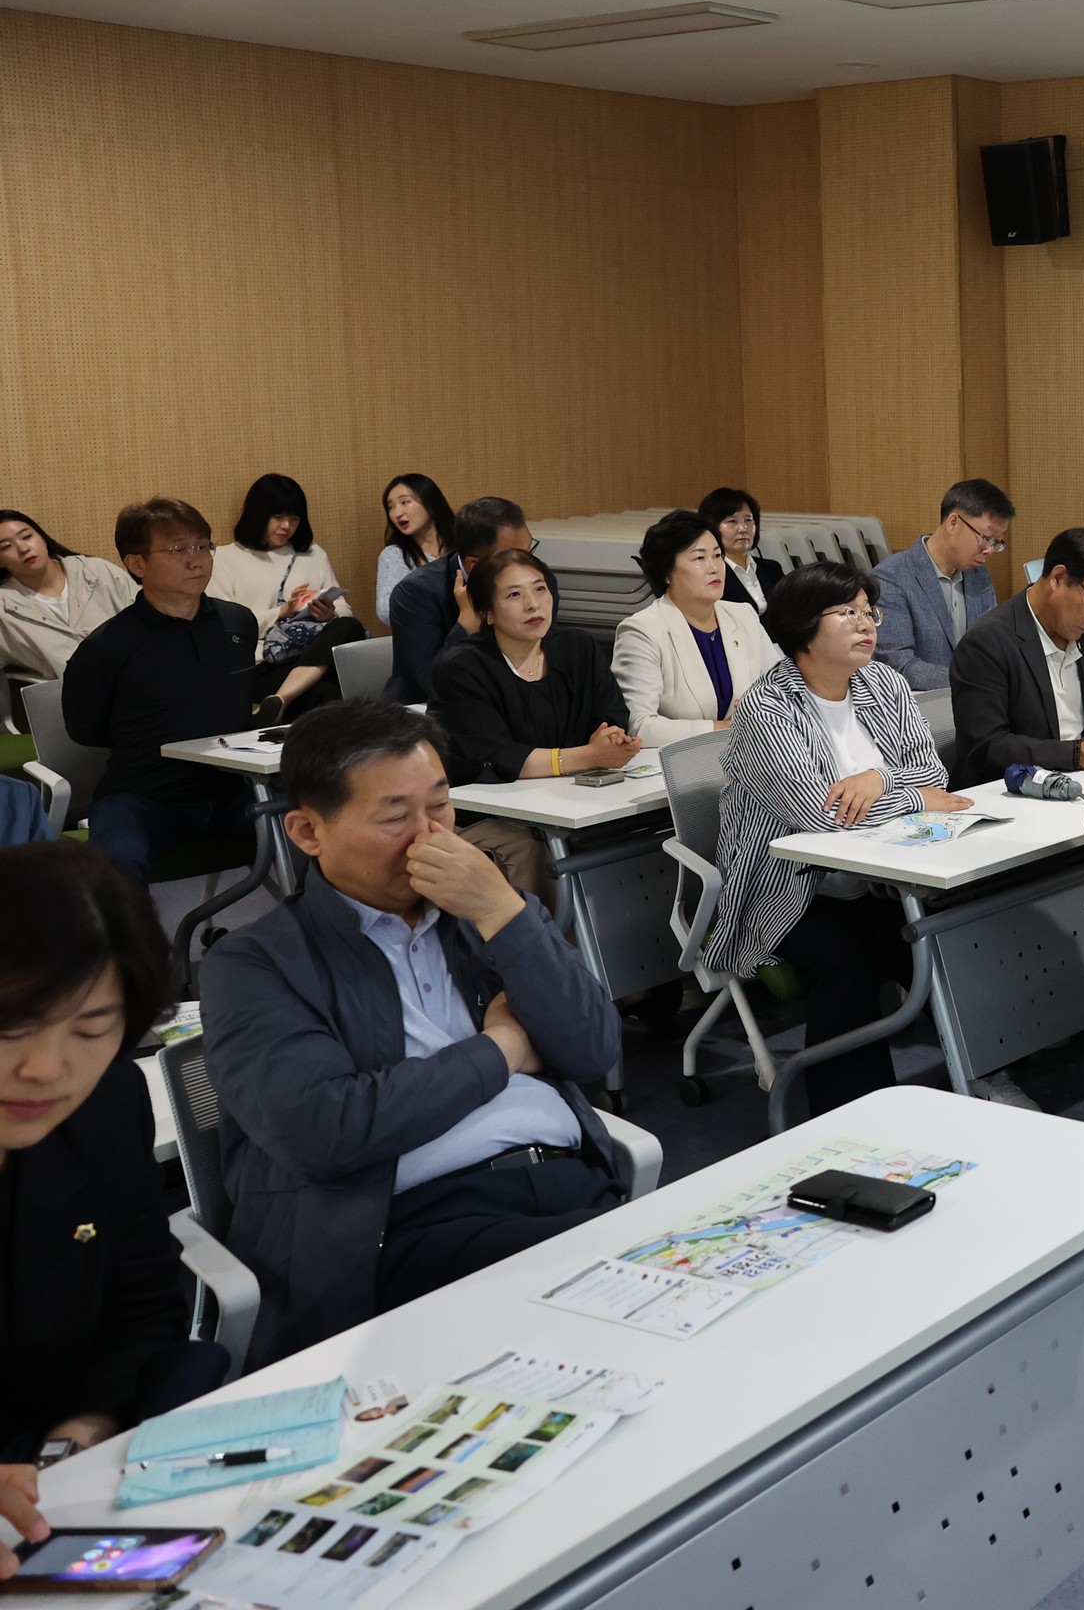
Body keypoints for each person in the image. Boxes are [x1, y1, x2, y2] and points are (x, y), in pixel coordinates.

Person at [199, 701, 627, 1365]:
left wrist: (502, 912)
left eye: (442, 806)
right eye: (396, 817)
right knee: (625, 1292)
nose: (432, 837)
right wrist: (502, 1051)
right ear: (308, 832)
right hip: (407, 1225)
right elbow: (327, 1128)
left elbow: (596, 1048)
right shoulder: (254, 963)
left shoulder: (484, 909)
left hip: (573, 1181)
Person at [0, 844, 229, 1544]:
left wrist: (79, 1432)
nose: (46, 1068)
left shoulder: (103, 1105)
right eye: (10, 1026)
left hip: (59, 1494)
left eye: (92, 1028)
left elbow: (142, 1305)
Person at [706, 563, 977, 1114]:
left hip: (882, 875)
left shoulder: (885, 683)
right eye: (847, 613)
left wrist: (878, 779)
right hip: (788, 890)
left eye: (868, 612)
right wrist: (910, 794)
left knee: (939, 942)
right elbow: (820, 817)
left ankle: (984, 1076)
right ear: (804, 627)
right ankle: (848, 1114)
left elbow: (934, 777)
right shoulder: (767, 709)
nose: (866, 625)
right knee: (849, 965)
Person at [61, 498, 258, 887]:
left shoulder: (238, 621)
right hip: (144, 798)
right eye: (179, 549)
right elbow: (86, 730)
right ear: (137, 565)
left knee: (318, 826)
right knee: (115, 869)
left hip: (235, 789)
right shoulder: (107, 647)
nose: (197, 559)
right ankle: (135, 950)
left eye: (203, 546)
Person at [427, 550, 639, 897]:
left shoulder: (577, 647)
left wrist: (613, 739)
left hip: (569, 799)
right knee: (532, 849)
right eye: (514, 595)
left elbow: (612, 712)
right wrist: (588, 756)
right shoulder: (461, 669)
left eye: (540, 589)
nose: (532, 604)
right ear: (486, 612)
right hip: (487, 812)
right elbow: (498, 756)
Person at [949, 525, 1084, 785]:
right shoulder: (987, 643)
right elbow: (988, 747)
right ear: (1058, 577)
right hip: (1009, 793)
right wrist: (1076, 754)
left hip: (1076, 783)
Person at [614, 510, 781, 743]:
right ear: (666, 573)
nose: (714, 567)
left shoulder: (743, 615)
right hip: (680, 766)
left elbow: (781, 690)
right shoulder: (642, 631)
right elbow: (640, 726)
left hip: (750, 758)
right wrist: (726, 728)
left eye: (717, 555)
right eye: (699, 558)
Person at [210, 473, 365, 720]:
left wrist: (329, 613)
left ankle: (280, 700)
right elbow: (226, 629)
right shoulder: (224, 559)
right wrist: (282, 613)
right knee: (330, 694)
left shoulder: (313, 555)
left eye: (294, 519)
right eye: (278, 517)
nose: (286, 526)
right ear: (257, 514)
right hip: (260, 665)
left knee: (349, 625)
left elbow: (344, 609)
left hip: (308, 653)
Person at [870, 479, 1014, 691]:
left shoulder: (978, 574)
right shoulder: (891, 578)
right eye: (986, 538)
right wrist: (971, 682)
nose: (989, 550)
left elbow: (993, 643)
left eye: (997, 543)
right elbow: (899, 665)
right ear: (954, 522)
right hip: (922, 710)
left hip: (977, 702)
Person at [385, 495, 530, 703]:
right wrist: (466, 625)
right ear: (474, 565)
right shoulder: (415, 593)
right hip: (425, 712)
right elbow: (430, 682)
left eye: (529, 550)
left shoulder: (538, 583)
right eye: (517, 556)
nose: (529, 565)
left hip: (505, 702)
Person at [0, 509, 137, 682]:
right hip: (68, 702)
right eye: (6, 547)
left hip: (139, 685)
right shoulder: (4, 608)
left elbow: (150, 622)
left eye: (27, 537)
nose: (23, 548)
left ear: (42, 538)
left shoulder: (98, 571)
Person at [373, 473, 456, 623]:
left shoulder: (464, 545)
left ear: (431, 503)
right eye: (391, 507)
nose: (397, 513)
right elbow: (387, 611)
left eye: (405, 502)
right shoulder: (394, 555)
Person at [699, 486, 784, 612]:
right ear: (712, 527)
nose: (743, 528)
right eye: (732, 521)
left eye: (748, 520)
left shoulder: (771, 568)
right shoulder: (710, 574)